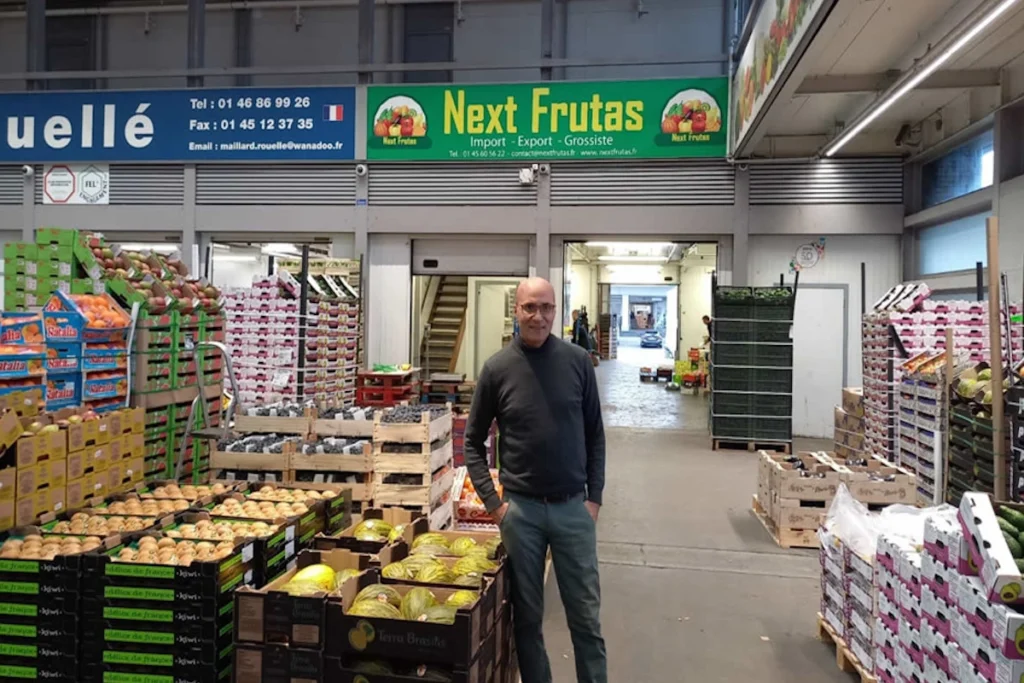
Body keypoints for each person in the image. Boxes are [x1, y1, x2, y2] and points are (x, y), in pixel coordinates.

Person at [464, 277, 607, 683]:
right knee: (527, 620)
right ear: (517, 310)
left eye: (546, 308)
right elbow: (472, 442)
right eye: (530, 307)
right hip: (521, 513)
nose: (538, 316)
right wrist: (496, 505)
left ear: (556, 311)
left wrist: (593, 498)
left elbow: (595, 435)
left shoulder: (578, 362)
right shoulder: (497, 369)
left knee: (586, 619)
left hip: (572, 508)